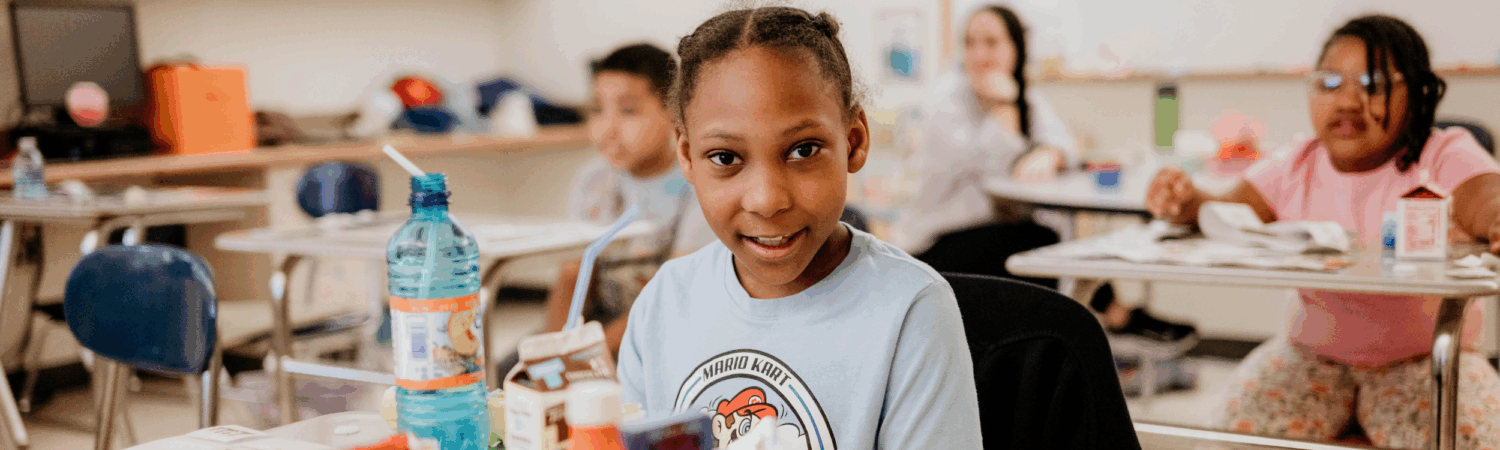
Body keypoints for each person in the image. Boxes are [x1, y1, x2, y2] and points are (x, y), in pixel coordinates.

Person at [616, 7, 982, 450]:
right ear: (688, 156)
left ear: (854, 141)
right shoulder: (664, 303)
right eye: (726, 158)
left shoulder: (910, 311)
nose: (767, 200)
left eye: (803, 150)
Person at [1147, 15, 1500, 449]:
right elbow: (1225, 211)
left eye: (1372, 84)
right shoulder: (1296, 163)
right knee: (1234, 434)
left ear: (1419, 94)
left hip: (1425, 361)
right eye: (1330, 83)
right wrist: (1187, 203)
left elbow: (1485, 198)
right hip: (1311, 358)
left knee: (1469, 439)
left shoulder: (1444, 154)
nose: (1348, 101)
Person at [896, 4, 1196, 347]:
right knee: (1043, 242)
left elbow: (1063, 146)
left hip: (991, 232)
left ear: (1016, 49)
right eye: (970, 42)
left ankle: (1103, 320)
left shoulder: (1028, 97)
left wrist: (1048, 153)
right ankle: (1097, 324)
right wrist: (1004, 104)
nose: (979, 54)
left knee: (1052, 238)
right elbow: (995, 162)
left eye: (991, 43)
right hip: (935, 244)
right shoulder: (946, 101)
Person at [498, 43, 718, 377]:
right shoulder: (594, 179)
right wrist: (557, 349)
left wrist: (587, 353)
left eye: (629, 111)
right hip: (605, 322)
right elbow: (573, 276)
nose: (607, 127)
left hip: (669, 327)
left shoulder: (698, 182)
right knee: (513, 373)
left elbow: (668, 297)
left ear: (675, 113)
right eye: (597, 109)